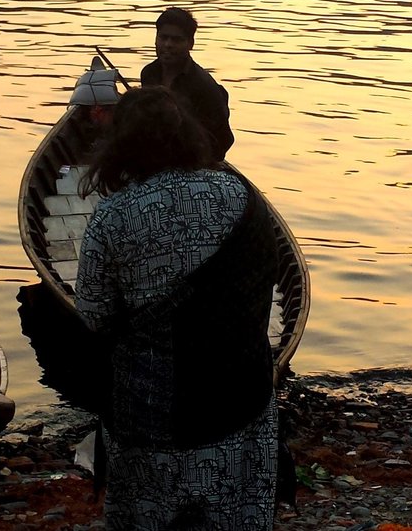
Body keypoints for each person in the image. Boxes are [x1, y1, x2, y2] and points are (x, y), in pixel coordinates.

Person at [76, 87, 279, 531]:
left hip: (151, 411)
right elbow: (271, 269)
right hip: (240, 396)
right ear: (189, 135)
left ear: (121, 147)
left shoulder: (112, 216)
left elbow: (94, 316)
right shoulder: (240, 193)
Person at [140, 7, 234, 162]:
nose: (168, 45)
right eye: (163, 38)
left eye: (176, 40)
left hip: (193, 163)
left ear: (190, 44)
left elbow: (223, 141)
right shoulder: (149, 73)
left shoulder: (204, 86)